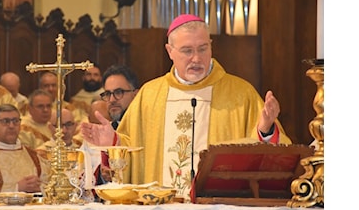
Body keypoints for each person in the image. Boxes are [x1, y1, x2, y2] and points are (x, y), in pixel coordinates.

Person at [80, 14, 292, 200]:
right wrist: (113, 143)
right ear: (169, 51)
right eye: (187, 51)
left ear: (211, 45)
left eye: (203, 48)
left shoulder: (240, 94)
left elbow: (271, 159)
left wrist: (265, 130)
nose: (197, 58)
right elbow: (132, 152)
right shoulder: (150, 95)